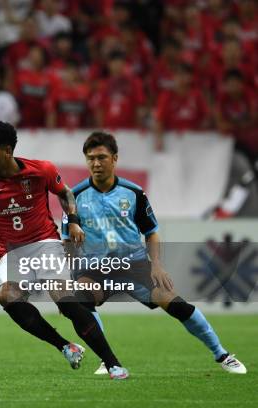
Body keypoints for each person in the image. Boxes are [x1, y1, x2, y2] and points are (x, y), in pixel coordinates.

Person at [62, 131, 247, 375]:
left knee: (177, 305)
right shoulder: (74, 196)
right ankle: (107, 361)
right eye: (90, 158)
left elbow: (151, 231)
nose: (96, 163)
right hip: (97, 269)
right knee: (80, 300)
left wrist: (157, 265)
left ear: (115, 158)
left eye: (102, 157)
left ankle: (222, 354)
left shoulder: (134, 193)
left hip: (135, 265)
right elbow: (67, 238)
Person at [0, 121, 129, 380]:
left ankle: (113, 364)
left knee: (63, 297)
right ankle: (65, 346)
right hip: (13, 252)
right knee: (7, 296)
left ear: (7, 151)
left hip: (45, 244)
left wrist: (73, 220)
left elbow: (66, 194)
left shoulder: (41, 170)